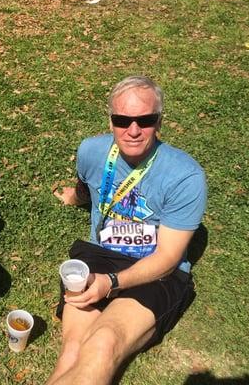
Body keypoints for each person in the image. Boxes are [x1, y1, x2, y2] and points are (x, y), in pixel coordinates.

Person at [49, 76, 207, 384]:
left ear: (159, 122)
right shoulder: (91, 151)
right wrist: (74, 198)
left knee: (103, 342)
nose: (133, 130)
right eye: (123, 120)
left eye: (145, 120)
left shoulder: (186, 176)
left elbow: (169, 256)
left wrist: (111, 283)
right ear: (110, 121)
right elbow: (86, 187)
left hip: (158, 270)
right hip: (100, 255)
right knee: (71, 349)